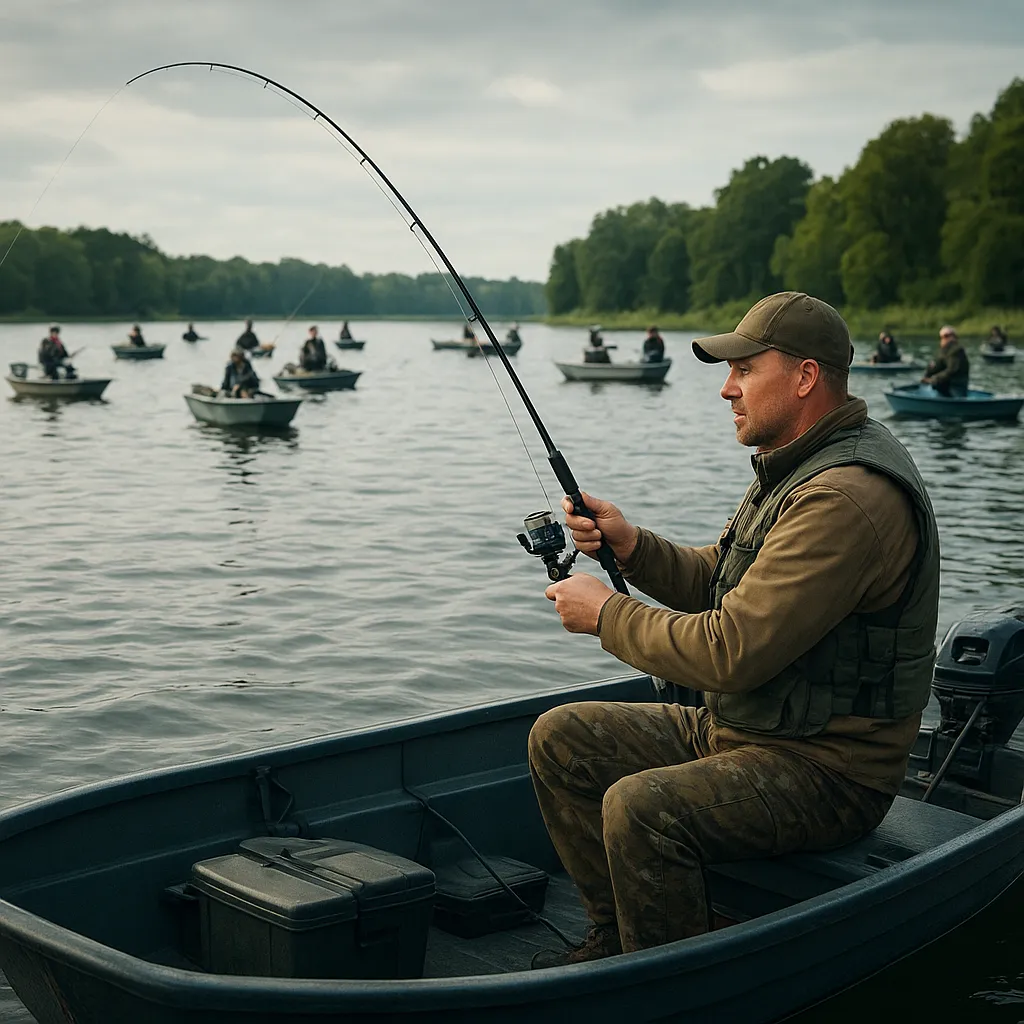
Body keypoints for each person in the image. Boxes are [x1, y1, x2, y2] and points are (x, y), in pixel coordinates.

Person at [530, 291, 939, 967]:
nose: (726, 389)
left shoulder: (844, 498)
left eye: (745, 370)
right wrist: (629, 547)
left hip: (828, 769)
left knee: (641, 808)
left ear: (805, 378)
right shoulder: (794, 465)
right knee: (559, 740)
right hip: (747, 731)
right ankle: (614, 947)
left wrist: (606, 614)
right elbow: (719, 580)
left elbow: (731, 651)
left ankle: (669, 990)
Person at [923, 325, 969, 397]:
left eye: (946, 336)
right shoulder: (943, 351)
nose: (944, 339)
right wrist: (927, 375)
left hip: (954, 387)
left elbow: (952, 370)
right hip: (943, 386)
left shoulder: (957, 351)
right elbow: (935, 365)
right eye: (942, 337)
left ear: (954, 337)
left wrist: (934, 379)